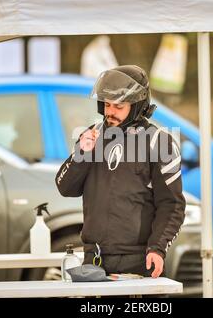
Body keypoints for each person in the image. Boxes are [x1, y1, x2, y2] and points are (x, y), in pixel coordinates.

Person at [55, 65, 185, 278]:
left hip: (139, 261)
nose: (110, 112)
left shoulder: (159, 141)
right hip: (94, 259)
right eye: (106, 105)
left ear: (137, 106)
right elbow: (65, 187)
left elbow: (172, 205)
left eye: (118, 106)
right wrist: (82, 154)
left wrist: (158, 248)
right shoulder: (91, 136)